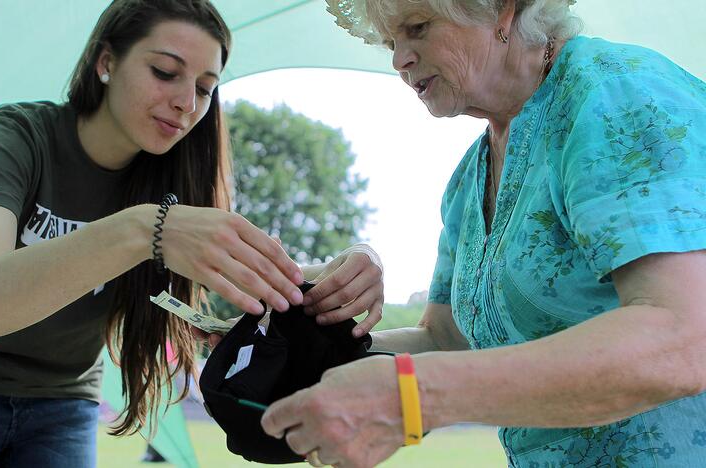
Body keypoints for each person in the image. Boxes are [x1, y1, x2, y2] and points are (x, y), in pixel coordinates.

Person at [0, 1, 384, 466]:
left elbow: (255, 278)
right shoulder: (16, 138)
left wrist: (350, 264)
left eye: (205, 88)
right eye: (165, 72)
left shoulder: (174, 187)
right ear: (106, 62)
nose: (187, 102)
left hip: (62, 398)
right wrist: (143, 229)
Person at [262, 0, 706, 466]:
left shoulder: (617, 93)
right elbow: (445, 340)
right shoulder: (467, 179)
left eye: (417, 28)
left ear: (502, 12)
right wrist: (299, 346)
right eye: (392, 42)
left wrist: (416, 397)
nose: (399, 60)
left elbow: (683, 338)